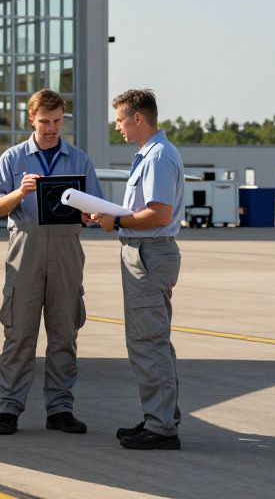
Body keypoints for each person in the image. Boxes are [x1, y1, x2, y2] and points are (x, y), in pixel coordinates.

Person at [0, 89, 103, 436]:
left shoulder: (79, 160)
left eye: (57, 121)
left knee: (64, 333)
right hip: (26, 249)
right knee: (19, 333)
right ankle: (9, 409)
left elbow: (93, 210)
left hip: (67, 250)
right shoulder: (12, 158)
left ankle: (60, 409)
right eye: (44, 122)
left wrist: (91, 214)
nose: (52, 128)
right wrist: (20, 193)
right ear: (31, 120)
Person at [91, 89, 185, 450]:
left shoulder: (158, 157)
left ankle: (161, 428)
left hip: (150, 254)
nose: (118, 127)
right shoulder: (150, 155)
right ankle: (158, 418)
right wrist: (111, 216)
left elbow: (157, 214)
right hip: (145, 253)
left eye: (120, 120)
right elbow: (145, 210)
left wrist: (116, 221)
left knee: (149, 341)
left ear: (138, 118)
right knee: (150, 340)